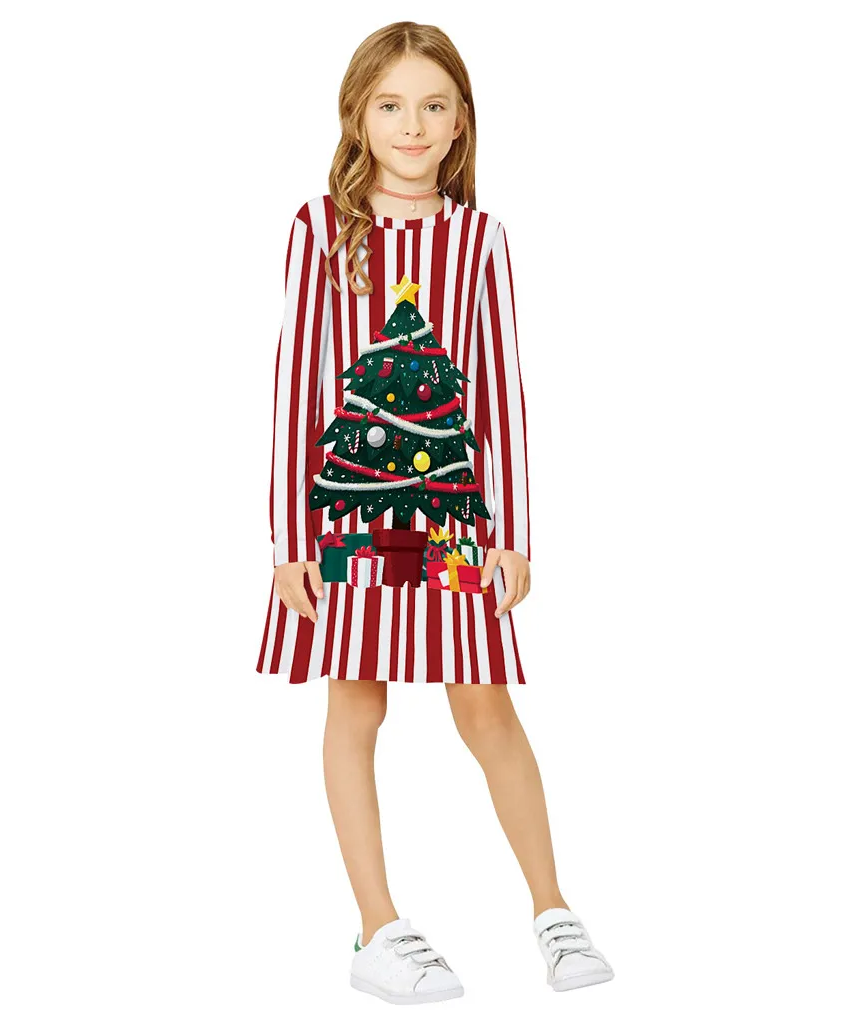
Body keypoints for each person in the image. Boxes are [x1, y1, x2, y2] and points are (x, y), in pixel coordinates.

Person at [256, 21, 614, 1003]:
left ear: (460, 123)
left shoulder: (479, 240)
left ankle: (552, 909)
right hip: (345, 515)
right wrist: (290, 538)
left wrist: (514, 536)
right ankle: (378, 927)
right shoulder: (320, 230)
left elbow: (500, 391)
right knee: (356, 699)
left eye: (432, 106)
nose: (411, 126)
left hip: (452, 516)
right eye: (390, 105)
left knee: (484, 702)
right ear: (358, 117)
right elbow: (296, 388)